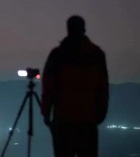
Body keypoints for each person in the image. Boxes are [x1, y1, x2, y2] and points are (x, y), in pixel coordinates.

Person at [41, 15, 109, 157]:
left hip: (63, 120)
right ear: (83, 29)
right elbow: (103, 87)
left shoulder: (57, 55)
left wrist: (47, 113)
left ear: (68, 29)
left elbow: (48, 86)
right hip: (88, 120)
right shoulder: (96, 54)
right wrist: (100, 113)